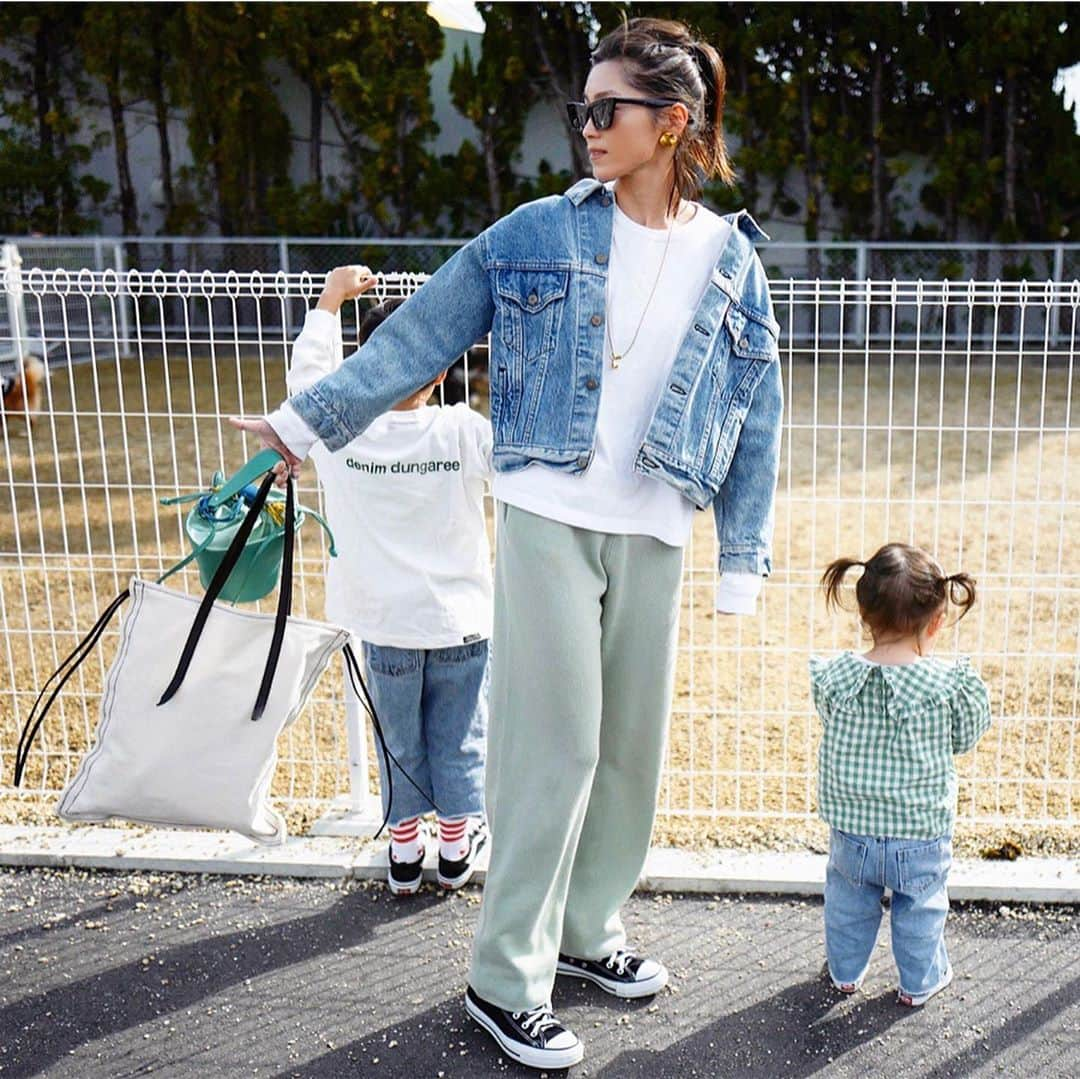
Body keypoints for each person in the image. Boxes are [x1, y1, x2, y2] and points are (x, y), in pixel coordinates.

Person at [233, 17, 783, 1070]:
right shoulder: (538, 229)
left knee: (628, 752)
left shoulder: (730, 259)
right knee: (553, 748)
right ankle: (505, 977)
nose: (585, 125)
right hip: (550, 514)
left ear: (673, 124)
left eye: (606, 109)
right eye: (581, 108)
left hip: (657, 522)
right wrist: (307, 423)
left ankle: (585, 931)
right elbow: (424, 328)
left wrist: (743, 558)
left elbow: (757, 410)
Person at [286, 271, 492, 896]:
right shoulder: (462, 430)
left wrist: (328, 302)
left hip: (382, 621)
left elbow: (307, 387)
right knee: (460, 735)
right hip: (460, 620)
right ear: (437, 374)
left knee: (399, 739)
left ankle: (405, 851)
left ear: (365, 366)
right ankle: (455, 846)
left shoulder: (337, 432)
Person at [809, 543, 992, 1007]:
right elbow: (965, 738)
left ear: (864, 616)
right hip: (920, 833)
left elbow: (830, 718)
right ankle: (919, 982)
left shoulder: (837, 676)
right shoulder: (947, 685)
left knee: (849, 904)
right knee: (921, 908)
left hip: (852, 829)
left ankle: (845, 973)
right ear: (935, 623)